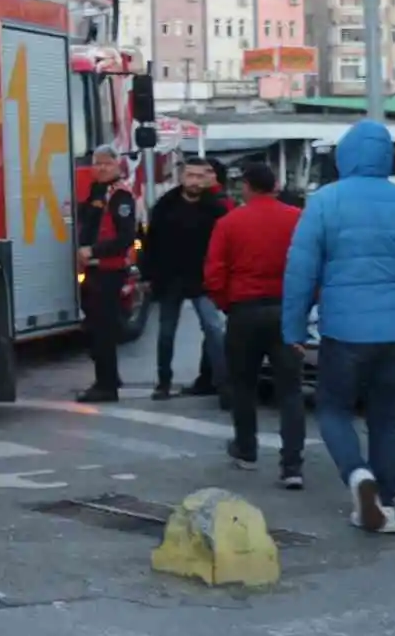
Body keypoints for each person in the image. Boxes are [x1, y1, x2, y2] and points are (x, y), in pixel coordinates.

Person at [282, 119, 395, 534]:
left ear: (345, 156)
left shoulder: (325, 202)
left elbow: (300, 271)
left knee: (334, 409)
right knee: (386, 419)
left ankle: (357, 475)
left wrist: (294, 329)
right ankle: (386, 507)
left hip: (346, 330)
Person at [205, 161, 304, 486]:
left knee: (244, 385)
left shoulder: (230, 223)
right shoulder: (295, 219)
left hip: (244, 311)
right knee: (290, 390)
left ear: (247, 186)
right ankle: (292, 465)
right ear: (274, 184)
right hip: (285, 310)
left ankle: (246, 450)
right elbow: (310, 265)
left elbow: (215, 272)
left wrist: (227, 303)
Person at [139, 156, 229, 401]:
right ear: (182, 176)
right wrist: (147, 275)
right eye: (191, 175)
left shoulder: (216, 209)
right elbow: (150, 243)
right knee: (166, 332)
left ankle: (224, 384)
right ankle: (163, 382)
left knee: (214, 329)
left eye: (201, 176)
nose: (195, 181)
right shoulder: (165, 205)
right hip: (169, 279)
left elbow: (225, 245)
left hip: (203, 279)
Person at [76, 145, 137, 403]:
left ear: (117, 165)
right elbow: (89, 220)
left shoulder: (121, 196)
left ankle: (106, 386)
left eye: (106, 163)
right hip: (94, 269)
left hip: (109, 270)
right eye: (96, 163)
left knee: (102, 330)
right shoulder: (98, 191)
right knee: (93, 327)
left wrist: (93, 250)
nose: (100, 168)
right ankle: (109, 377)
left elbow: (125, 238)